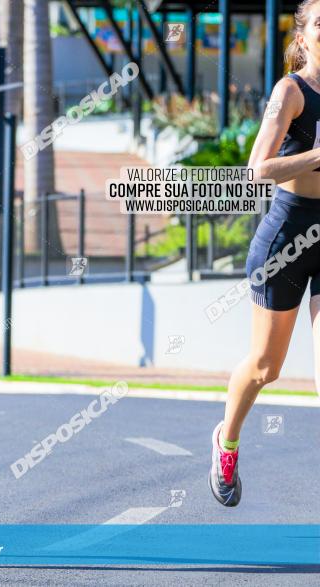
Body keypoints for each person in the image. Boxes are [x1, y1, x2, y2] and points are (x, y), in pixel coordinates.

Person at [210, 0, 320, 506]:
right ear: (303, 37)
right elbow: (257, 168)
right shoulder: (291, 91)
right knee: (265, 366)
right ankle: (226, 441)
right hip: (288, 237)